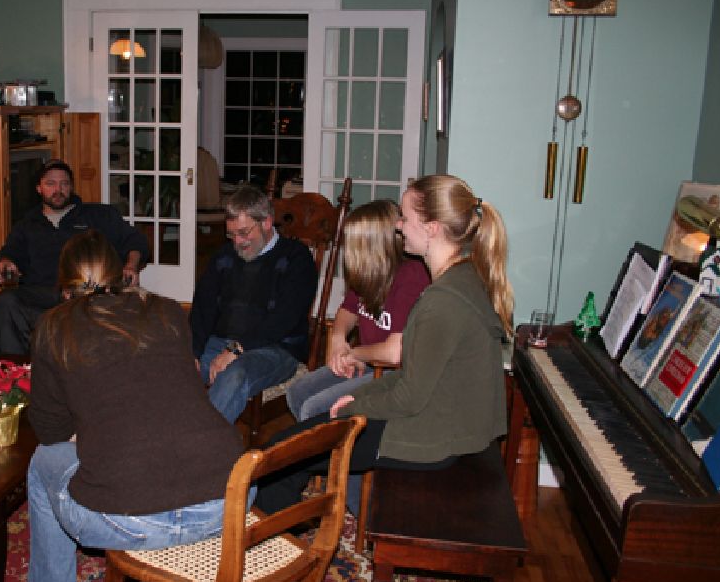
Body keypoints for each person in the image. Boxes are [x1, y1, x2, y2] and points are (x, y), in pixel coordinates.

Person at [256, 174, 514, 514]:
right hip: (441, 421)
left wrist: (353, 409)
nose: (399, 226)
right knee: (288, 448)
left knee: (280, 459)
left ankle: (270, 538)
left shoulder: (442, 301)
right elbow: (411, 376)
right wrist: (359, 396)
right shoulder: (460, 279)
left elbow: (409, 397)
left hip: (434, 436)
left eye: (405, 218)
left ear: (432, 228)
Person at [25, 229, 245, 582]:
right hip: (230, 500)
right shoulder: (167, 309)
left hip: (132, 520)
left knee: (42, 461)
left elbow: (50, 431)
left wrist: (87, 427)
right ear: (121, 274)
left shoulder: (53, 326)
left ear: (64, 284)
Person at [285, 200, 430, 423]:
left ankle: (332, 444)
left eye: (353, 244)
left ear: (375, 245)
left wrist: (354, 354)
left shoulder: (411, 276)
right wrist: (338, 338)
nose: (348, 251)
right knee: (297, 392)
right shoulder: (368, 274)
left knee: (315, 409)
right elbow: (348, 309)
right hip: (369, 362)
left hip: (395, 374)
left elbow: (394, 353)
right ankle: (323, 442)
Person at [190, 186, 318, 424]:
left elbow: (284, 319)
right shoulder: (223, 257)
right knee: (174, 368)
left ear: (266, 222)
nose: (237, 242)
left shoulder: (296, 258)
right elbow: (202, 308)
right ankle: (168, 438)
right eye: (231, 235)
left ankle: (201, 442)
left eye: (243, 232)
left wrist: (236, 350)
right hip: (221, 343)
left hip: (275, 348)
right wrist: (194, 351)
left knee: (234, 375)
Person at [0, 160, 149, 354]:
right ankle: (14, 366)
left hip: (86, 291)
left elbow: (135, 241)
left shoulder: (98, 216)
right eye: (50, 184)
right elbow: (10, 253)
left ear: (72, 187)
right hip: (43, 294)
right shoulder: (27, 225)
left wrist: (131, 265)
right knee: (6, 300)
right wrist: (4, 263)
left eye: (64, 184)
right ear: (39, 188)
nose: (58, 190)